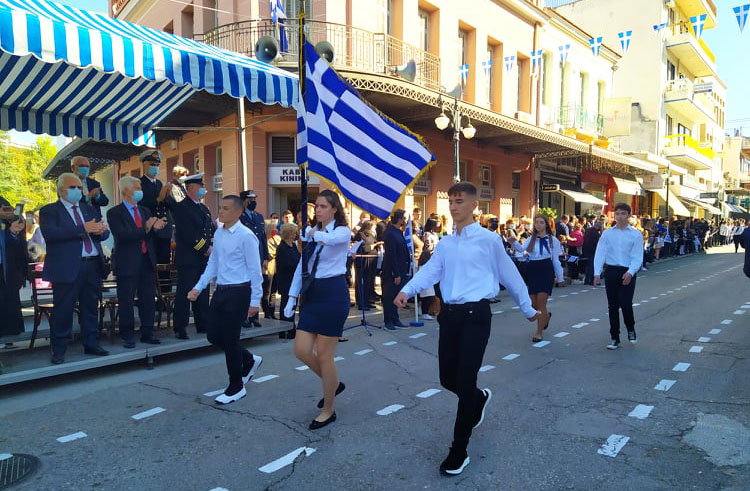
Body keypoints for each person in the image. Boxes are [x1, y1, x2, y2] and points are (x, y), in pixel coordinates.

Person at [394, 182, 540, 476]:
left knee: (464, 379)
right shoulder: (447, 243)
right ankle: (479, 398)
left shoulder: (488, 240)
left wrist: (527, 309)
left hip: (476, 316)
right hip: (449, 316)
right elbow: (431, 271)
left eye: (460, 201)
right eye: (451, 201)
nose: (454, 206)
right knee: (447, 379)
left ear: (474, 205)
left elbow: (510, 275)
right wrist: (407, 291)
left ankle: (458, 451)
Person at [283, 190, 351, 430]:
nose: (318, 210)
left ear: (334, 209)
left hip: (333, 294)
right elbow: (302, 269)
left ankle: (328, 409)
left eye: (323, 206)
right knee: (301, 350)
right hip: (312, 294)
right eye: (317, 207)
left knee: (324, 354)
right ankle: (333, 382)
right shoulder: (312, 236)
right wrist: (291, 298)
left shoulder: (341, 232)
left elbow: (330, 240)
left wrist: (311, 234)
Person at [188, 195, 264, 404]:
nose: (221, 212)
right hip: (221, 291)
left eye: (226, 209)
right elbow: (212, 264)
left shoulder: (247, 236)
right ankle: (248, 359)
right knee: (213, 335)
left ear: (238, 212)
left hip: (240, 292)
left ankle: (236, 385)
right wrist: (198, 287)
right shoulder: (219, 234)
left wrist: (254, 301)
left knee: (230, 340)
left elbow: (255, 270)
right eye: (220, 208)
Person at [40, 173, 110, 364]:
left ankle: (91, 343)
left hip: (91, 265)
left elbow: (103, 234)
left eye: (80, 187)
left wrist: (102, 231)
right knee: (63, 309)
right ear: (61, 189)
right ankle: (59, 349)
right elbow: (51, 234)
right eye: (73, 187)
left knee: (90, 307)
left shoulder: (88, 209)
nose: (77, 191)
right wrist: (82, 229)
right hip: (67, 267)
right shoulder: (49, 211)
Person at [107, 176, 168, 348]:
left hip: (146, 260)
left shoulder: (145, 211)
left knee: (148, 298)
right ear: (126, 190)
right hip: (127, 262)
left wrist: (157, 227)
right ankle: (127, 335)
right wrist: (147, 228)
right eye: (137, 187)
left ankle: (147, 332)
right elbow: (123, 236)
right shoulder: (114, 213)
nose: (140, 189)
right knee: (126, 300)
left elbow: (151, 235)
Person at [594, 203, 643, 350]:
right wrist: (597, 273)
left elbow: (637, 256)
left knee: (626, 303)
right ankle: (614, 337)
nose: (620, 216)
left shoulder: (635, 234)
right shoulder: (608, 233)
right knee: (613, 306)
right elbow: (600, 253)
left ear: (629, 215)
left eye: (623, 213)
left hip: (628, 271)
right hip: (612, 271)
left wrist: (630, 272)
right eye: (617, 214)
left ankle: (630, 328)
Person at [172, 173, 215, 340]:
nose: (203, 189)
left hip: (203, 258)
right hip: (189, 258)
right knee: (185, 292)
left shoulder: (203, 208)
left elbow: (209, 230)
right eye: (200, 186)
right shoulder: (182, 207)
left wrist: (212, 246)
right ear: (190, 189)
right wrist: (204, 248)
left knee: (203, 291)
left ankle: (202, 323)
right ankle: (180, 327)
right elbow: (188, 234)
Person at [509, 215, 565, 343]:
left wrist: (560, 277)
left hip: (546, 268)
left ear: (546, 225)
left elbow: (555, 260)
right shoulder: (531, 238)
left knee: (541, 303)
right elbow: (522, 250)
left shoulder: (553, 240)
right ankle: (546, 317)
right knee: (533, 304)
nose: (538, 225)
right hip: (533, 268)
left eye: (541, 222)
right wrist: (513, 242)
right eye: (536, 223)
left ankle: (539, 332)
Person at [239, 190, 269, 328]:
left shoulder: (259, 217)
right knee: (245, 288)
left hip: (258, 256)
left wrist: (265, 258)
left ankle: (254, 317)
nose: (253, 202)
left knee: (257, 286)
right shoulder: (239, 217)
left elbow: (263, 238)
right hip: (244, 257)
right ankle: (244, 316)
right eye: (250, 199)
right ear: (244, 201)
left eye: (254, 199)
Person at [138, 150, 173, 268]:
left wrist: (167, 197)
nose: (155, 168)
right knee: (151, 264)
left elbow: (165, 205)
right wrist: (159, 198)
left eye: (157, 165)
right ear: (144, 165)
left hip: (163, 231)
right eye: (152, 165)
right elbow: (142, 204)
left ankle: (164, 287)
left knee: (164, 264)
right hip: (150, 230)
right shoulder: (139, 183)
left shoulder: (158, 183)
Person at [0, 197, 27, 342]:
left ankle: (9, 336)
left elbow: (16, 243)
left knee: (8, 301)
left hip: (7, 267)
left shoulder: (6, 221)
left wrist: (14, 228)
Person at [382, 209, 411, 331]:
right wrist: (396, 274)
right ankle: (388, 320)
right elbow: (391, 255)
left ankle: (395, 318)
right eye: (403, 218)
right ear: (399, 219)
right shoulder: (390, 233)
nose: (404, 221)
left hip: (401, 269)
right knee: (389, 296)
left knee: (396, 296)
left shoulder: (398, 232)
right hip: (392, 272)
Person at [276, 223, 301, 337]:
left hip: (293, 279)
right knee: (286, 303)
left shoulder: (293, 246)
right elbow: (285, 264)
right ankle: (284, 328)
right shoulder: (281, 248)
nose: (296, 234)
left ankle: (291, 326)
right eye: (294, 232)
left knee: (293, 304)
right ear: (289, 234)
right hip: (286, 280)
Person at [70, 156, 109, 220]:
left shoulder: (95, 183)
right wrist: (88, 196)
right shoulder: (66, 182)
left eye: (87, 166)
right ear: (73, 167)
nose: (85, 168)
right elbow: (68, 201)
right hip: (78, 222)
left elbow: (105, 202)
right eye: (82, 166)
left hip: (96, 221)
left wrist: (97, 196)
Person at [353, 220, 377, 310]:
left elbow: (374, 242)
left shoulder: (371, 235)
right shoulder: (360, 235)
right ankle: (361, 303)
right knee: (361, 282)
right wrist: (374, 246)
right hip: (362, 261)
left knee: (369, 282)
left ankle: (367, 301)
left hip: (371, 261)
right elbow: (365, 248)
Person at [263, 220, 281, 319]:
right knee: (267, 292)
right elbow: (268, 255)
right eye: (274, 227)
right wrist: (274, 254)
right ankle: (266, 312)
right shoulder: (264, 240)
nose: (276, 230)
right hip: (267, 269)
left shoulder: (277, 239)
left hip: (276, 269)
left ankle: (272, 311)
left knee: (274, 292)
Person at [582, 219, 602, 285]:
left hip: (586, 250)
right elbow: (597, 244)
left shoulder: (587, 230)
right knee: (592, 266)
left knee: (587, 266)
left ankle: (586, 280)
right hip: (593, 251)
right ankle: (591, 280)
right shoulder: (596, 233)